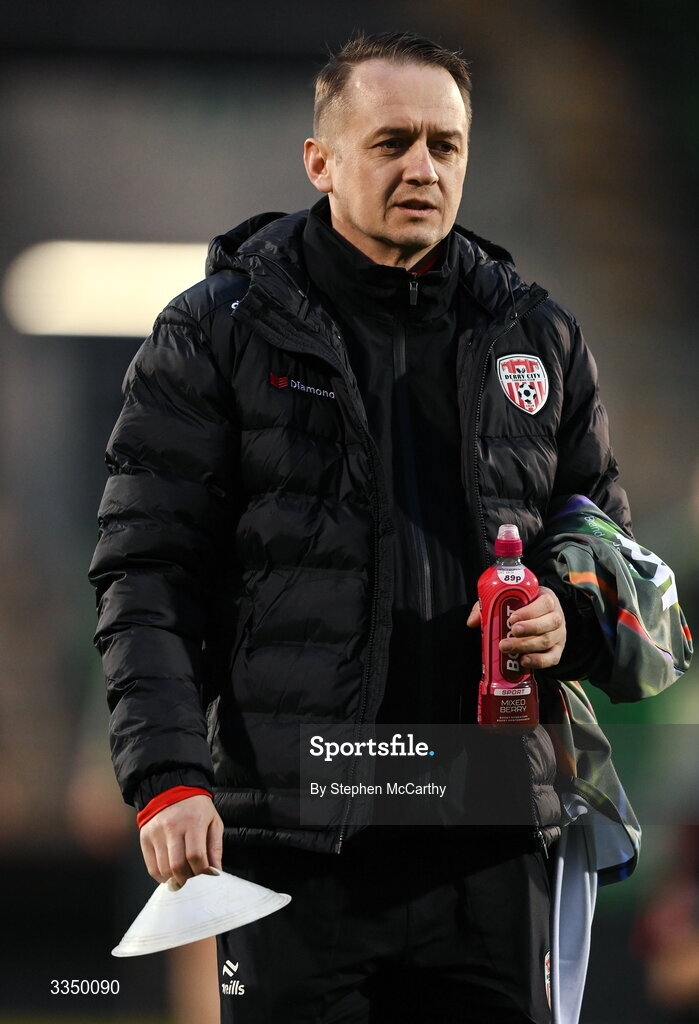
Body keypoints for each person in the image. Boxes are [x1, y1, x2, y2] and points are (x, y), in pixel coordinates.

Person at [89, 32, 640, 1024]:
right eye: (392, 142)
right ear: (321, 161)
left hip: (490, 832)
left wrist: (570, 611)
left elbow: (601, 543)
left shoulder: (540, 334)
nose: (424, 167)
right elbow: (147, 570)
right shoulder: (214, 333)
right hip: (299, 839)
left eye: (446, 144)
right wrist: (168, 776)